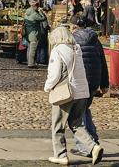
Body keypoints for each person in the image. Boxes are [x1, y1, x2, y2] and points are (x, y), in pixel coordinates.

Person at [44, 25, 104, 165]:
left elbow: (54, 74)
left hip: (65, 92)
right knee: (77, 123)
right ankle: (93, 147)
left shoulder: (57, 50)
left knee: (58, 125)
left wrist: (47, 87)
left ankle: (60, 155)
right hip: (81, 92)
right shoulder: (76, 49)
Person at [73, 13, 109, 157]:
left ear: (74, 26)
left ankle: (87, 146)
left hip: (80, 80)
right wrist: (104, 83)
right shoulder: (95, 39)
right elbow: (102, 61)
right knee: (85, 110)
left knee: (77, 114)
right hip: (93, 80)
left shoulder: (73, 39)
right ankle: (93, 140)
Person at [24, 1, 49, 68]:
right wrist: (41, 11)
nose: (38, 7)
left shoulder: (27, 12)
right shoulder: (34, 14)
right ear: (35, 6)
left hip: (28, 33)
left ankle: (29, 62)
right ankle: (31, 64)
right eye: (37, 6)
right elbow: (43, 18)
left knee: (29, 49)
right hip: (34, 33)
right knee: (32, 49)